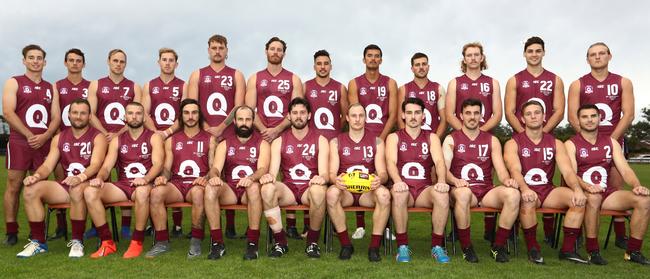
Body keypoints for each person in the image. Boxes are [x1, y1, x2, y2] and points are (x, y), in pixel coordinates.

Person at [16, 99, 106, 258]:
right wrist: (36, 176)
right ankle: (38, 242)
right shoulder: (59, 138)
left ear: (89, 116)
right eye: (75, 113)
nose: (78, 116)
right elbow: (48, 165)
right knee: (31, 190)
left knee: (76, 189)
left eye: (83, 113)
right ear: (69, 115)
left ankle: (77, 241)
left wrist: (80, 177)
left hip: (90, 185)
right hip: (67, 184)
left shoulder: (97, 136)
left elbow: (96, 164)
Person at [567, 42, 635, 248]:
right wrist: (588, 141)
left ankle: (621, 235)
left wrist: (610, 140)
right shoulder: (578, 84)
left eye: (601, 53)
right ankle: (577, 233)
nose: (597, 57)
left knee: (614, 186)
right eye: (592, 55)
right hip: (583, 142)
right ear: (587, 59)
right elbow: (572, 116)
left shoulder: (623, 82)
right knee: (578, 185)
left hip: (613, 138)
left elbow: (629, 114)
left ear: (609, 56)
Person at [504, 100, 587, 264]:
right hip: (524, 188)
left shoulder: (556, 143)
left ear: (544, 116)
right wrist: (525, 189)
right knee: (528, 201)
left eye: (537, 113)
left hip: (548, 190)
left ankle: (568, 250)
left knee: (577, 201)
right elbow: (514, 170)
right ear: (522, 119)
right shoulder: (513, 142)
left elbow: (568, 171)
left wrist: (577, 189)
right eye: (529, 114)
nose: (533, 116)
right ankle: (533, 248)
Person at [566, 104, 650, 265]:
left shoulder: (611, 142)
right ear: (578, 120)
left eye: (593, 116)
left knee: (643, 200)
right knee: (594, 197)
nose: (589, 120)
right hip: (585, 192)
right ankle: (593, 251)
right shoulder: (571, 143)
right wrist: (587, 187)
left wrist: (636, 185)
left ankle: (633, 251)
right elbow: (572, 174)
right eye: (584, 117)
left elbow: (625, 170)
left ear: (600, 118)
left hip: (607, 193)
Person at [504, 36, 566, 244]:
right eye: (530, 51)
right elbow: (510, 111)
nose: (534, 54)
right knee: (518, 181)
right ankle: (513, 230)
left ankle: (548, 233)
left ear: (543, 53)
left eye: (538, 51)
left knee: (545, 180)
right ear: (524, 54)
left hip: (544, 135)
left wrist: (542, 133)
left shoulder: (555, 79)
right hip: (521, 137)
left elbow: (559, 111)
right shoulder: (515, 79)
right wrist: (525, 134)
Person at [442, 98, 520, 263]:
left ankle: (497, 247)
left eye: (476, 113)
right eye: (468, 113)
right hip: (462, 189)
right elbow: (444, 170)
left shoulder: (492, 140)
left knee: (513, 195)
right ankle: (466, 247)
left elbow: (501, 170)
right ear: (461, 115)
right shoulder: (451, 139)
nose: (472, 117)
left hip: (486, 191)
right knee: (463, 194)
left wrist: (507, 181)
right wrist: (455, 181)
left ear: (481, 116)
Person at [84, 102, 163, 258]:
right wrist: (99, 178)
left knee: (141, 192)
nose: (134, 116)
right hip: (123, 185)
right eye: (130, 113)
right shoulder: (117, 140)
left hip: (144, 184)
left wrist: (146, 179)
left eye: (138, 113)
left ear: (144, 117)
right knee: (89, 192)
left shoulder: (154, 137)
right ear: (124, 117)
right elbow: (106, 167)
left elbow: (158, 164)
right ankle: (107, 242)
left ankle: (137, 242)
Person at [245, 36, 304, 238]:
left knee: (288, 177)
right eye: (272, 49)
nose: (275, 52)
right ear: (266, 51)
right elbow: (248, 109)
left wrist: (277, 130)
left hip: (284, 133)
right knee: (261, 176)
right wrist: (264, 131)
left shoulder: (293, 78)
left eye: (279, 49)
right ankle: (254, 225)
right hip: (261, 134)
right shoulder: (255, 78)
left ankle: (291, 223)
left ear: (284, 54)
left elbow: (297, 110)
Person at [2, 44, 60, 246]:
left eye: (39, 58)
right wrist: (28, 135)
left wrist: (45, 136)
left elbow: (56, 117)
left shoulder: (50, 87)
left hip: (43, 143)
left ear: (44, 62)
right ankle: (11, 231)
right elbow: (8, 112)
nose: (35, 61)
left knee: (38, 186)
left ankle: (38, 230)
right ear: (24, 60)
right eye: (31, 57)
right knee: (14, 185)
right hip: (20, 141)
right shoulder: (14, 82)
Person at [445, 42, 503, 242]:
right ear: (464, 59)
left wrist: (480, 133)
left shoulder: (493, 82)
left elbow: (497, 114)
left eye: (476, 55)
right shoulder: (455, 83)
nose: (472, 58)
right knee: (458, 180)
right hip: (462, 135)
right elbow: (450, 113)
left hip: (485, 137)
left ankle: (489, 228)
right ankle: (456, 230)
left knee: (487, 178)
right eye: (468, 55)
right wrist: (466, 133)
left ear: (481, 58)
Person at [259, 98, 329, 258]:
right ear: (289, 116)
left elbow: (325, 173)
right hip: (289, 189)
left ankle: (312, 243)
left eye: (303, 113)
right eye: (295, 113)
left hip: (309, 188)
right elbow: (273, 172)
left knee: (319, 191)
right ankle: (280, 242)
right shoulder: (279, 141)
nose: (299, 116)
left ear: (309, 115)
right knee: (268, 189)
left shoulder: (321, 140)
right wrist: (268, 177)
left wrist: (321, 178)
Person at [146, 99, 216, 259]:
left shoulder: (209, 139)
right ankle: (162, 242)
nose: (190, 116)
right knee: (156, 193)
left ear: (199, 115)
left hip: (197, 184)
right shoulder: (172, 140)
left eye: (194, 112)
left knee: (199, 193)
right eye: (186, 113)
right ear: (181, 116)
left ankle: (196, 240)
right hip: (177, 185)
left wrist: (205, 178)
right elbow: (167, 169)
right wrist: (162, 178)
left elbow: (213, 168)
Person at [386, 97, 450, 263]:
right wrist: (397, 180)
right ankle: (402, 247)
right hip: (403, 188)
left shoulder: (432, 137)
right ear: (403, 116)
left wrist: (442, 180)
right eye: (409, 113)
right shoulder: (394, 137)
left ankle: (437, 247)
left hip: (423, 189)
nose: (413, 116)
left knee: (442, 195)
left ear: (423, 116)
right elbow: (391, 163)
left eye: (417, 112)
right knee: (399, 194)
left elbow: (439, 162)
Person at [87, 49, 143, 238]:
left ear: (125, 64)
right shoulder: (96, 84)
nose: (118, 64)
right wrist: (105, 134)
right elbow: (91, 113)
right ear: (108, 61)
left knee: (125, 177)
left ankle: (126, 226)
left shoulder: (134, 86)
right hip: (101, 137)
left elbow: (136, 115)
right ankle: (97, 223)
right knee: (99, 175)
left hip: (124, 136)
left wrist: (118, 133)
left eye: (122, 61)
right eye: (115, 60)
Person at [326, 103, 391, 262]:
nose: (357, 119)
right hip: (346, 191)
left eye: (361, 116)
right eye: (353, 116)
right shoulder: (336, 142)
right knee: (331, 194)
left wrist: (379, 179)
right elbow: (331, 173)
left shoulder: (377, 142)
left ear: (366, 118)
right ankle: (346, 244)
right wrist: (336, 180)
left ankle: (374, 247)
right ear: (347, 118)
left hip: (367, 191)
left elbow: (383, 172)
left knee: (384, 194)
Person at [203, 105, 268, 260]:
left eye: (248, 119)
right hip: (231, 190)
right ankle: (217, 244)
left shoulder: (262, 143)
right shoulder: (225, 143)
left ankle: (253, 244)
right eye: (240, 119)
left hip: (250, 190)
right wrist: (214, 176)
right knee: (211, 188)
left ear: (253, 121)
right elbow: (215, 168)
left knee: (253, 188)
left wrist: (251, 178)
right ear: (234, 122)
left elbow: (262, 169)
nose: (244, 123)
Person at [347, 44, 397, 238]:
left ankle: (386, 226)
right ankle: (360, 225)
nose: (373, 59)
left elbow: (392, 115)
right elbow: (354, 112)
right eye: (370, 56)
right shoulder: (354, 83)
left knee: (385, 180)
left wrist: (380, 140)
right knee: (359, 176)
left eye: (377, 56)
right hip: (360, 137)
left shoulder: (390, 83)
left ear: (381, 60)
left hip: (381, 137)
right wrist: (363, 139)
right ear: (364, 59)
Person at [142, 47, 187, 237]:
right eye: (164, 60)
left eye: (171, 60)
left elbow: (184, 113)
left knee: (173, 176)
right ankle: (154, 223)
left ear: (176, 64)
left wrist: (167, 132)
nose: (167, 63)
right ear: (158, 62)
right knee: (154, 176)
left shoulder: (183, 85)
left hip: (175, 135)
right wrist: (155, 133)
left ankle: (177, 225)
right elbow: (145, 112)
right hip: (155, 136)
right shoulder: (150, 85)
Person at [49, 48, 91, 240]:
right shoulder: (57, 86)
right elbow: (56, 115)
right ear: (65, 63)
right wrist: (58, 136)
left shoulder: (90, 86)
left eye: (78, 60)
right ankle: (61, 225)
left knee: (87, 184)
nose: (75, 63)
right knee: (62, 182)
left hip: (86, 141)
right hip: (64, 140)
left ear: (83, 64)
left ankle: (90, 226)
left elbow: (92, 114)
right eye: (71, 60)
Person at [397, 53, 447, 138]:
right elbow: (399, 119)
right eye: (417, 65)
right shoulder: (403, 89)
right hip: (410, 141)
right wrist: (408, 139)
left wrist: (435, 141)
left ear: (428, 67)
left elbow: (444, 120)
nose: (421, 67)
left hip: (432, 139)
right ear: (412, 69)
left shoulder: (438, 88)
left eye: (424, 64)